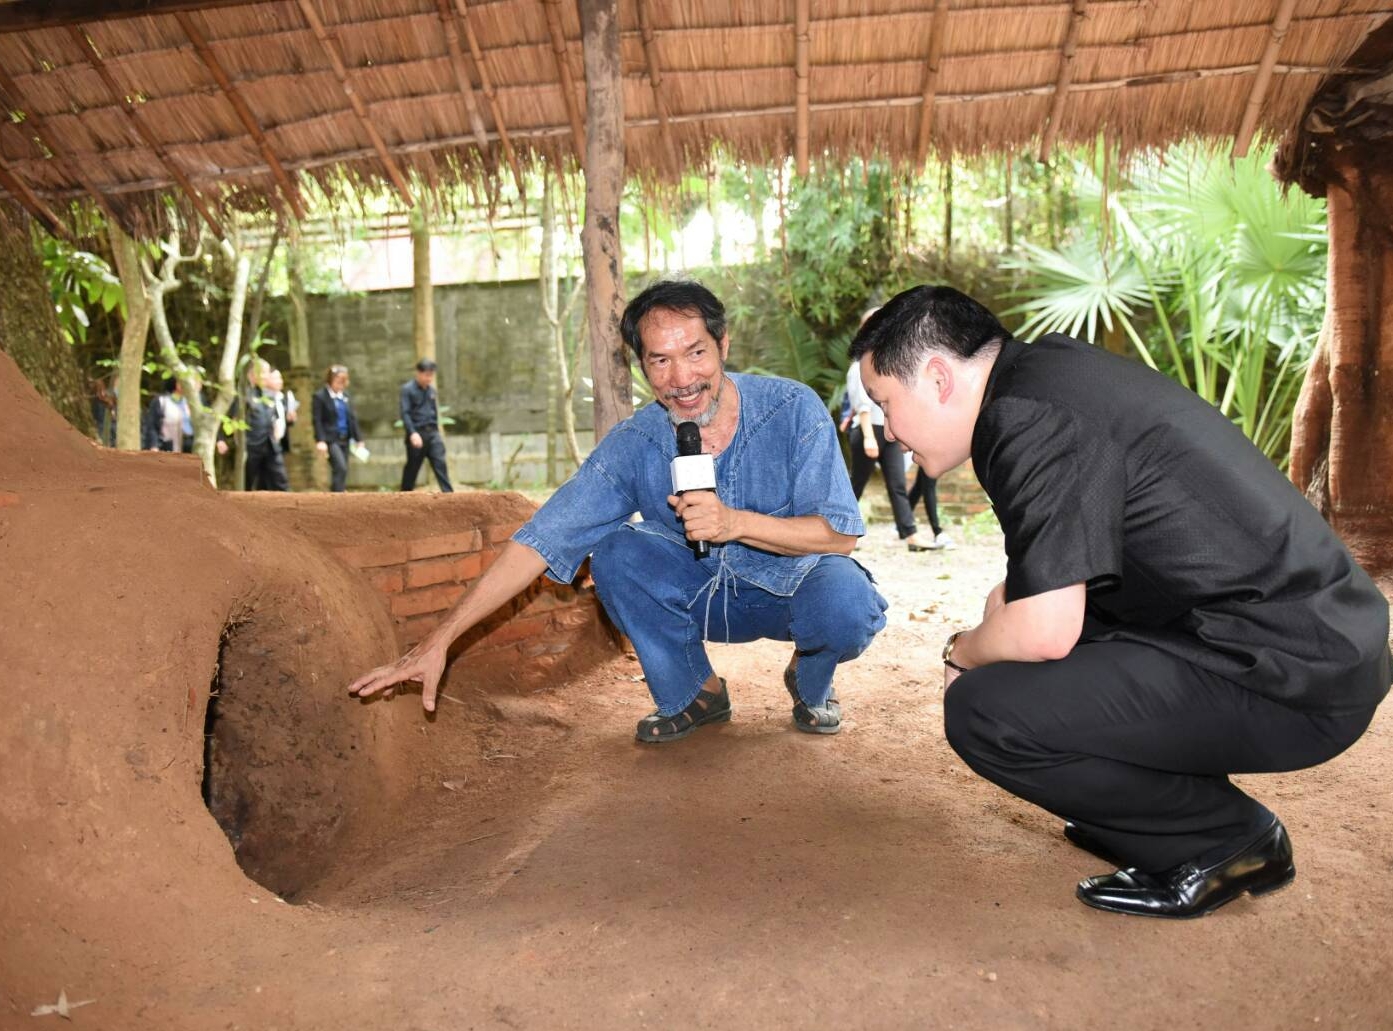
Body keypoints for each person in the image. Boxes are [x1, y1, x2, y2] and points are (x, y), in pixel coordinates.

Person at [851, 285, 1390, 919]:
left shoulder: (1023, 416)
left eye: (887, 403)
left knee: (984, 711)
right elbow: (1036, 582)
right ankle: (1148, 814)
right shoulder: (1046, 378)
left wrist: (962, 651)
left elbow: (1047, 629)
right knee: (1034, 654)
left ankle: (1224, 837)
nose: (888, 429)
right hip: (1312, 644)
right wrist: (1003, 615)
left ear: (939, 377)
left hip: (1291, 679)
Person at [351, 279, 887, 742]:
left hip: (789, 591)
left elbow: (839, 536)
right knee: (615, 551)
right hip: (700, 595)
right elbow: (543, 537)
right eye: (660, 359)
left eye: (695, 352)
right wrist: (439, 639)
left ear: (723, 344)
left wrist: (733, 522)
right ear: (642, 365)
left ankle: (810, 681)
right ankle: (696, 695)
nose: (681, 378)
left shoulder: (792, 409)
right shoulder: (635, 442)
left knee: (845, 599)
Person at [844, 352, 931, 552]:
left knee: (897, 484)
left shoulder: (888, 363)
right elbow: (862, 405)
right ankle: (840, 533)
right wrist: (868, 437)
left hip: (889, 430)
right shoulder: (858, 367)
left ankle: (910, 534)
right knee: (856, 485)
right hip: (868, 430)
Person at [400, 358, 453, 493]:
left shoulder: (431, 391)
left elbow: (434, 413)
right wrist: (412, 433)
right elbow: (405, 413)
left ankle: (449, 496)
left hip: (433, 434)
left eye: (431, 375)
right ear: (418, 373)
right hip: (417, 434)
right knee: (412, 468)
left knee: (440, 463)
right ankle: (404, 496)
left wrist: (437, 431)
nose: (429, 378)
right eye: (426, 375)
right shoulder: (407, 390)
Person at [312, 364, 362, 493]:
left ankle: (337, 493)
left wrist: (359, 439)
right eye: (338, 380)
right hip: (331, 439)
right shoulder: (320, 396)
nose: (341, 384)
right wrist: (320, 440)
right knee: (340, 467)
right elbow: (317, 420)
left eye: (344, 381)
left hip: (345, 438)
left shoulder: (345, 396)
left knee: (342, 469)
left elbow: (352, 418)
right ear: (330, 379)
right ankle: (337, 496)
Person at [905, 456, 952, 550]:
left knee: (920, 485)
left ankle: (902, 522)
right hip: (930, 445)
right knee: (929, 483)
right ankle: (938, 532)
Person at [141, 376, 193, 453]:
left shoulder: (192, 403)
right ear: (177, 384)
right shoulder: (162, 401)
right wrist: (153, 445)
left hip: (189, 447)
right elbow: (152, 426)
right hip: (168, 447)